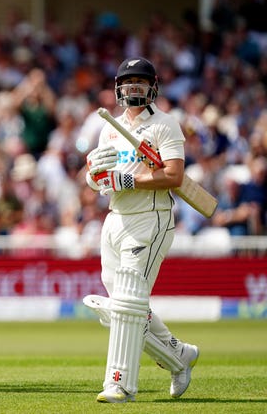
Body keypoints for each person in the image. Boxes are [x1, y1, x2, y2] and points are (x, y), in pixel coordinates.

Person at [83, 57, 199, 403]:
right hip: (115, 218)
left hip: (151, 218)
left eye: (141, 81)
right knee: (122, 308)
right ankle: (179, 356)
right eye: (127, 81)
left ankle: (119, 384)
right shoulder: (108, 126)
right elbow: (104, 177)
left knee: (128, 304)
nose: (134, 87)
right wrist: (94, 179)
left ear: (153, 87)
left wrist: (128, 179)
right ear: (118, 88)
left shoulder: (166, 125)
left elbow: (174, 176)